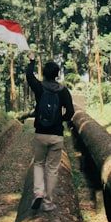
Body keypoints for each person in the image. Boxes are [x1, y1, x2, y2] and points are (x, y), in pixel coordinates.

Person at [25, 51, 75, 212]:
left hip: (40, 133)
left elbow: (29, 76)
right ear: (57, 75)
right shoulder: (63, 90)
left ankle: (38, 192)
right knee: (52, 169)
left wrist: (32, 61)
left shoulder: (39, 87)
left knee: (38, 163)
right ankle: (48, 203)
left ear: (44, 74)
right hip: (57, 135)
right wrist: (60, 120)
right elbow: (70, 112)